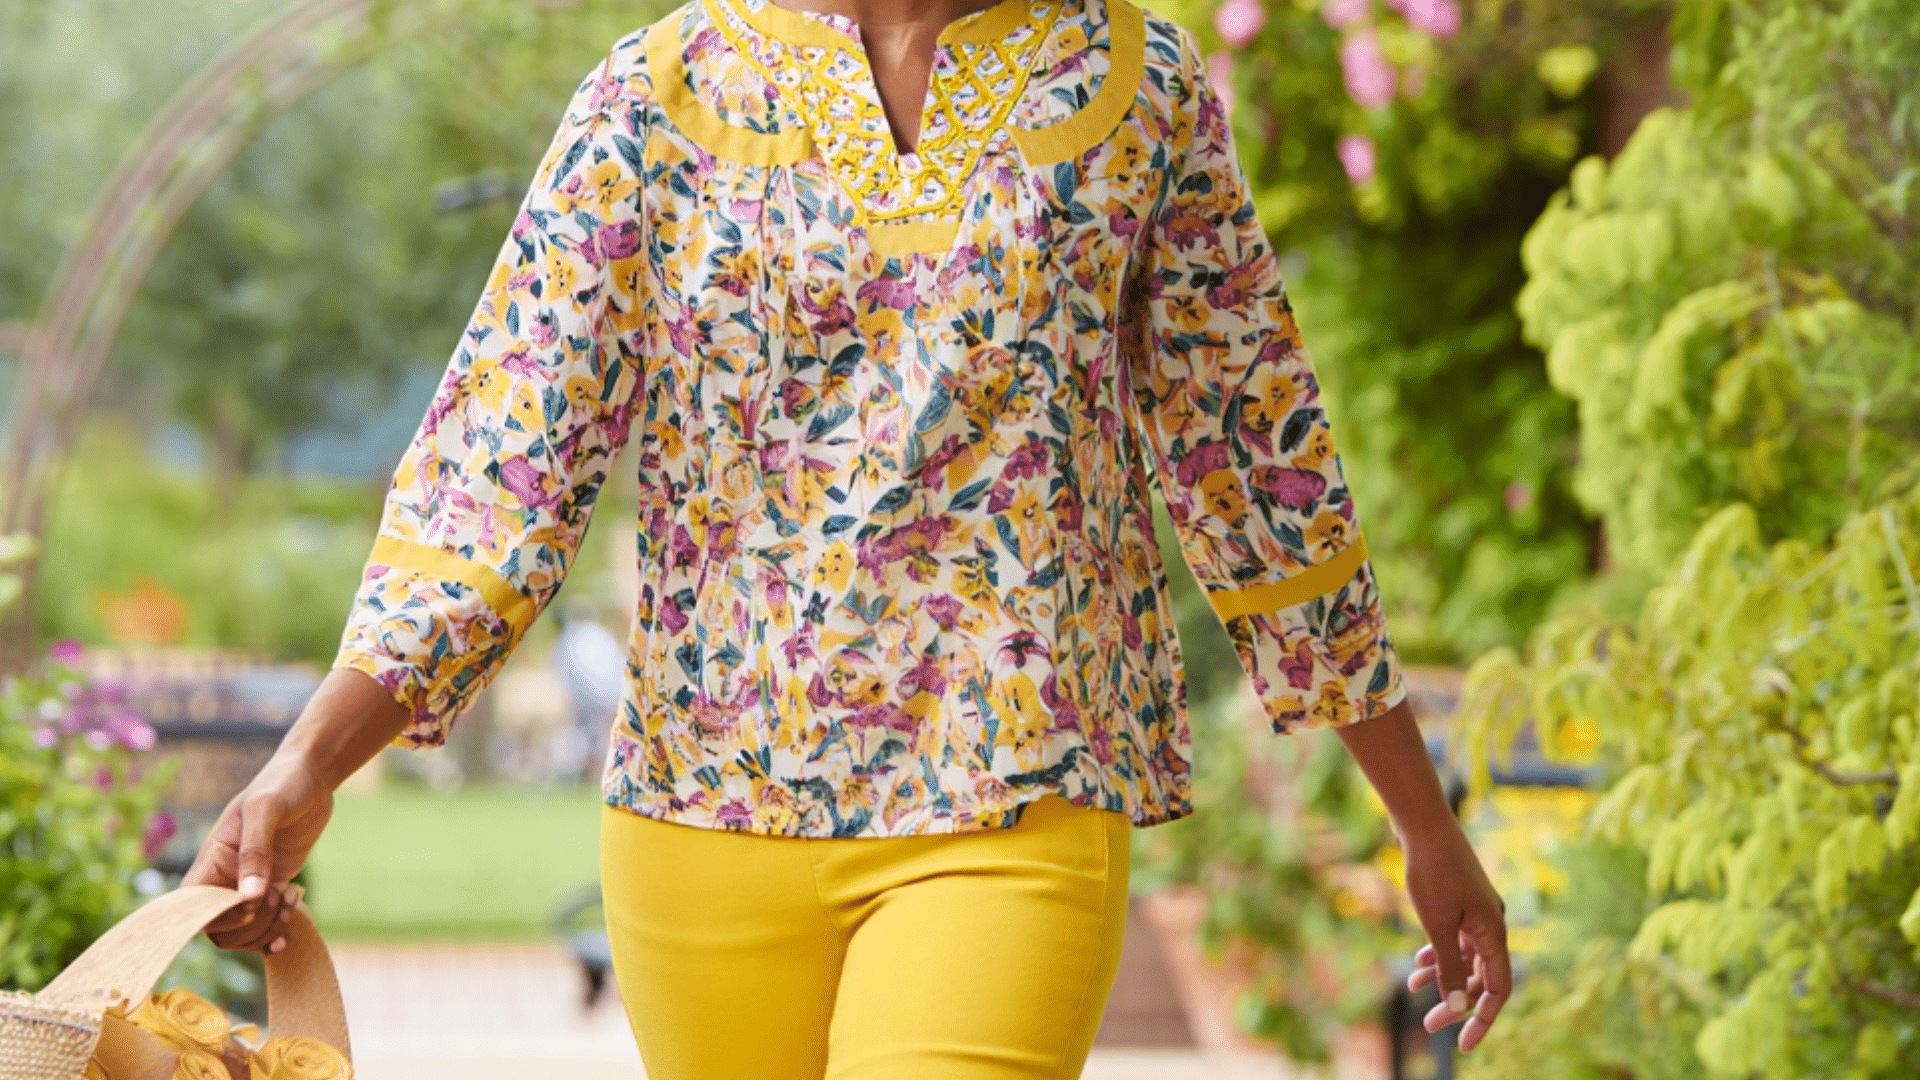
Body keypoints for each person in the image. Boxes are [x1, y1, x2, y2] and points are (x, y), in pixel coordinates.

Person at [185, 0, 1509, 1076]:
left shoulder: (1131, 84)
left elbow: (1259, 465)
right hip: (704, 815)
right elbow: (502, 472)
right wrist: (309, 765)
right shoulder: (656, 98)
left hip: (1013, 792)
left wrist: (1421, 820)